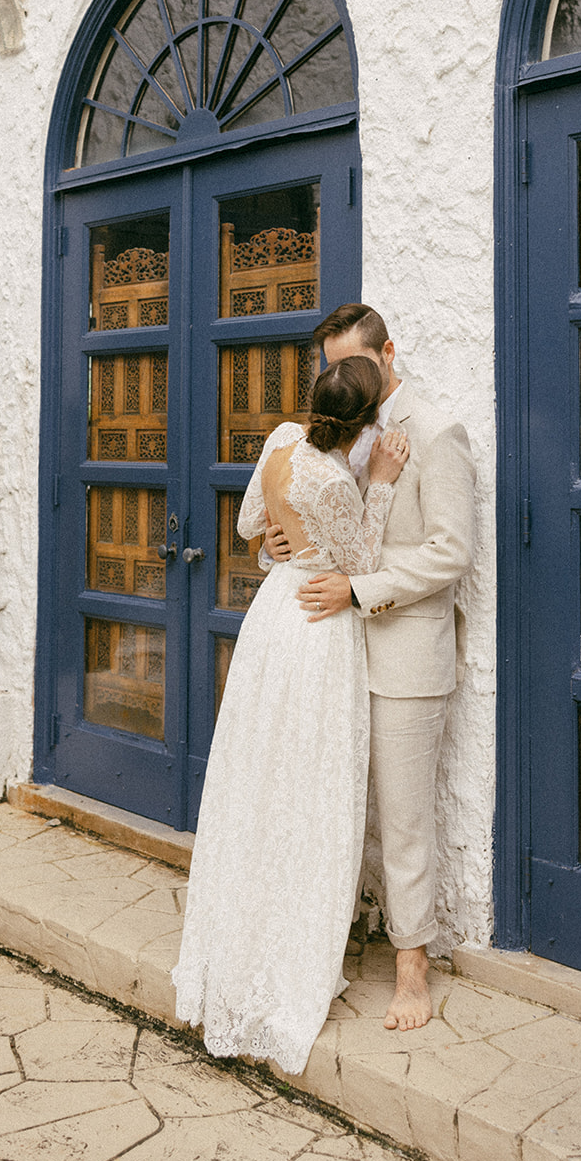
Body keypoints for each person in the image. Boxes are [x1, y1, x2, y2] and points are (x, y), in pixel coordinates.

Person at [172, 354, 410, 1076]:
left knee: (258, 774)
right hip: (316, 627)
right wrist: (380, 487)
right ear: (367, 423)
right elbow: (362, 562)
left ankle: (240, 942)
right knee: (311, 788)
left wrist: (275, 539)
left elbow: (251, 522)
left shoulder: (278, 444)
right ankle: (284, 956)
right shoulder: (341, 478)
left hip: (273, 611)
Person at [266, 305, 475, 1033]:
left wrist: (359, 589)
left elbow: (449, 552)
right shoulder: (330, 434)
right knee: (332, 804)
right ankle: (338, 930)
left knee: (404, 819)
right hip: (331, 653)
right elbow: (306, 531)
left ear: (390, 351)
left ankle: (411, 966)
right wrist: (280, 547)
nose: (342, 377)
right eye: (331, 367)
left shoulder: (437, 432)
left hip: (403, 656)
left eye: (354, 362)